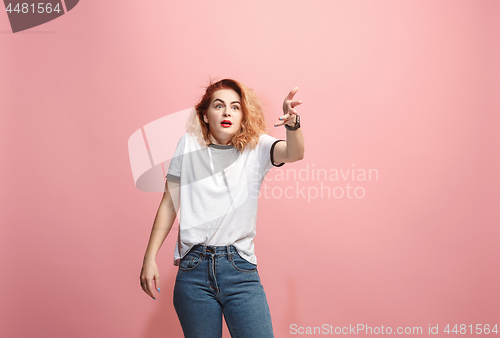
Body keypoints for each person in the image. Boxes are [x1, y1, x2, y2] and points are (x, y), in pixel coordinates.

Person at [140, 79, 304, 338]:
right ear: (205, 115)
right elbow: (169, 203)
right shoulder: (188, 144)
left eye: (235, 107)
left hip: (240, 268)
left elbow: (294, 153)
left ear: (243, 115)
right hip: (193, 271)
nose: (227, 112)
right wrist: (149, 258)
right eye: (219, 106)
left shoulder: (257, 147)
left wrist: (293, 125)